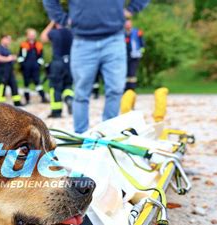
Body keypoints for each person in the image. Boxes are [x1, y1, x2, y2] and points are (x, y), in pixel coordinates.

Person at [43, 0, 150, 133]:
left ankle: (108, 134)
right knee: (81, 92)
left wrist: (132, 9)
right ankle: (81, 136)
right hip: (83, 41)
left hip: (114, 39)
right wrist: (62, 19)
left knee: (116, 89)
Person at [40, 21, 74, 118]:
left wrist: (51, 23)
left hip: (57, 62)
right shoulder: (71, 32)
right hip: (70, 62)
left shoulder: (55, 32)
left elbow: (43, 37)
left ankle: (56, 112)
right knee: (68, 84)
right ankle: (69, 98)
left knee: (55, 87)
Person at [18, 28, 48, 104]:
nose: (32, 36)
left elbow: (41, 57)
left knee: (37, 83)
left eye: (33, 35)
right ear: (27, 36)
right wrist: (22, 65)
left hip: (35, 67)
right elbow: (20, 56)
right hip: (26, 67)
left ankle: (43, 97)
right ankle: (27, 99)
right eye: (30, 35)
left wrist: (38, 65)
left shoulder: (39, 45)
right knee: (26, 83)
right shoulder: (23, 44)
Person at [0, 35, 22, 106]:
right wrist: (8, 58)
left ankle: (17, 103)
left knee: (14, 86)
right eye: (8, 39)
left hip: (10, 71)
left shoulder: (7, 49)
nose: (9, 41)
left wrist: (13, 58)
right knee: (2, 87)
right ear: (3, 39)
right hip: (3, 71)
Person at [125, 19, 145, 91]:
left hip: (135, 55)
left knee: (132, 72)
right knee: (126, 72)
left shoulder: (137, 32)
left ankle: (132, 88)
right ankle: (126, 89)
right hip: (125, 56)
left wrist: (141, 52)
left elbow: (142, 43)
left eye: (129, 24)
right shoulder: (123, 33)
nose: (127, 25)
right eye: (126, 24)